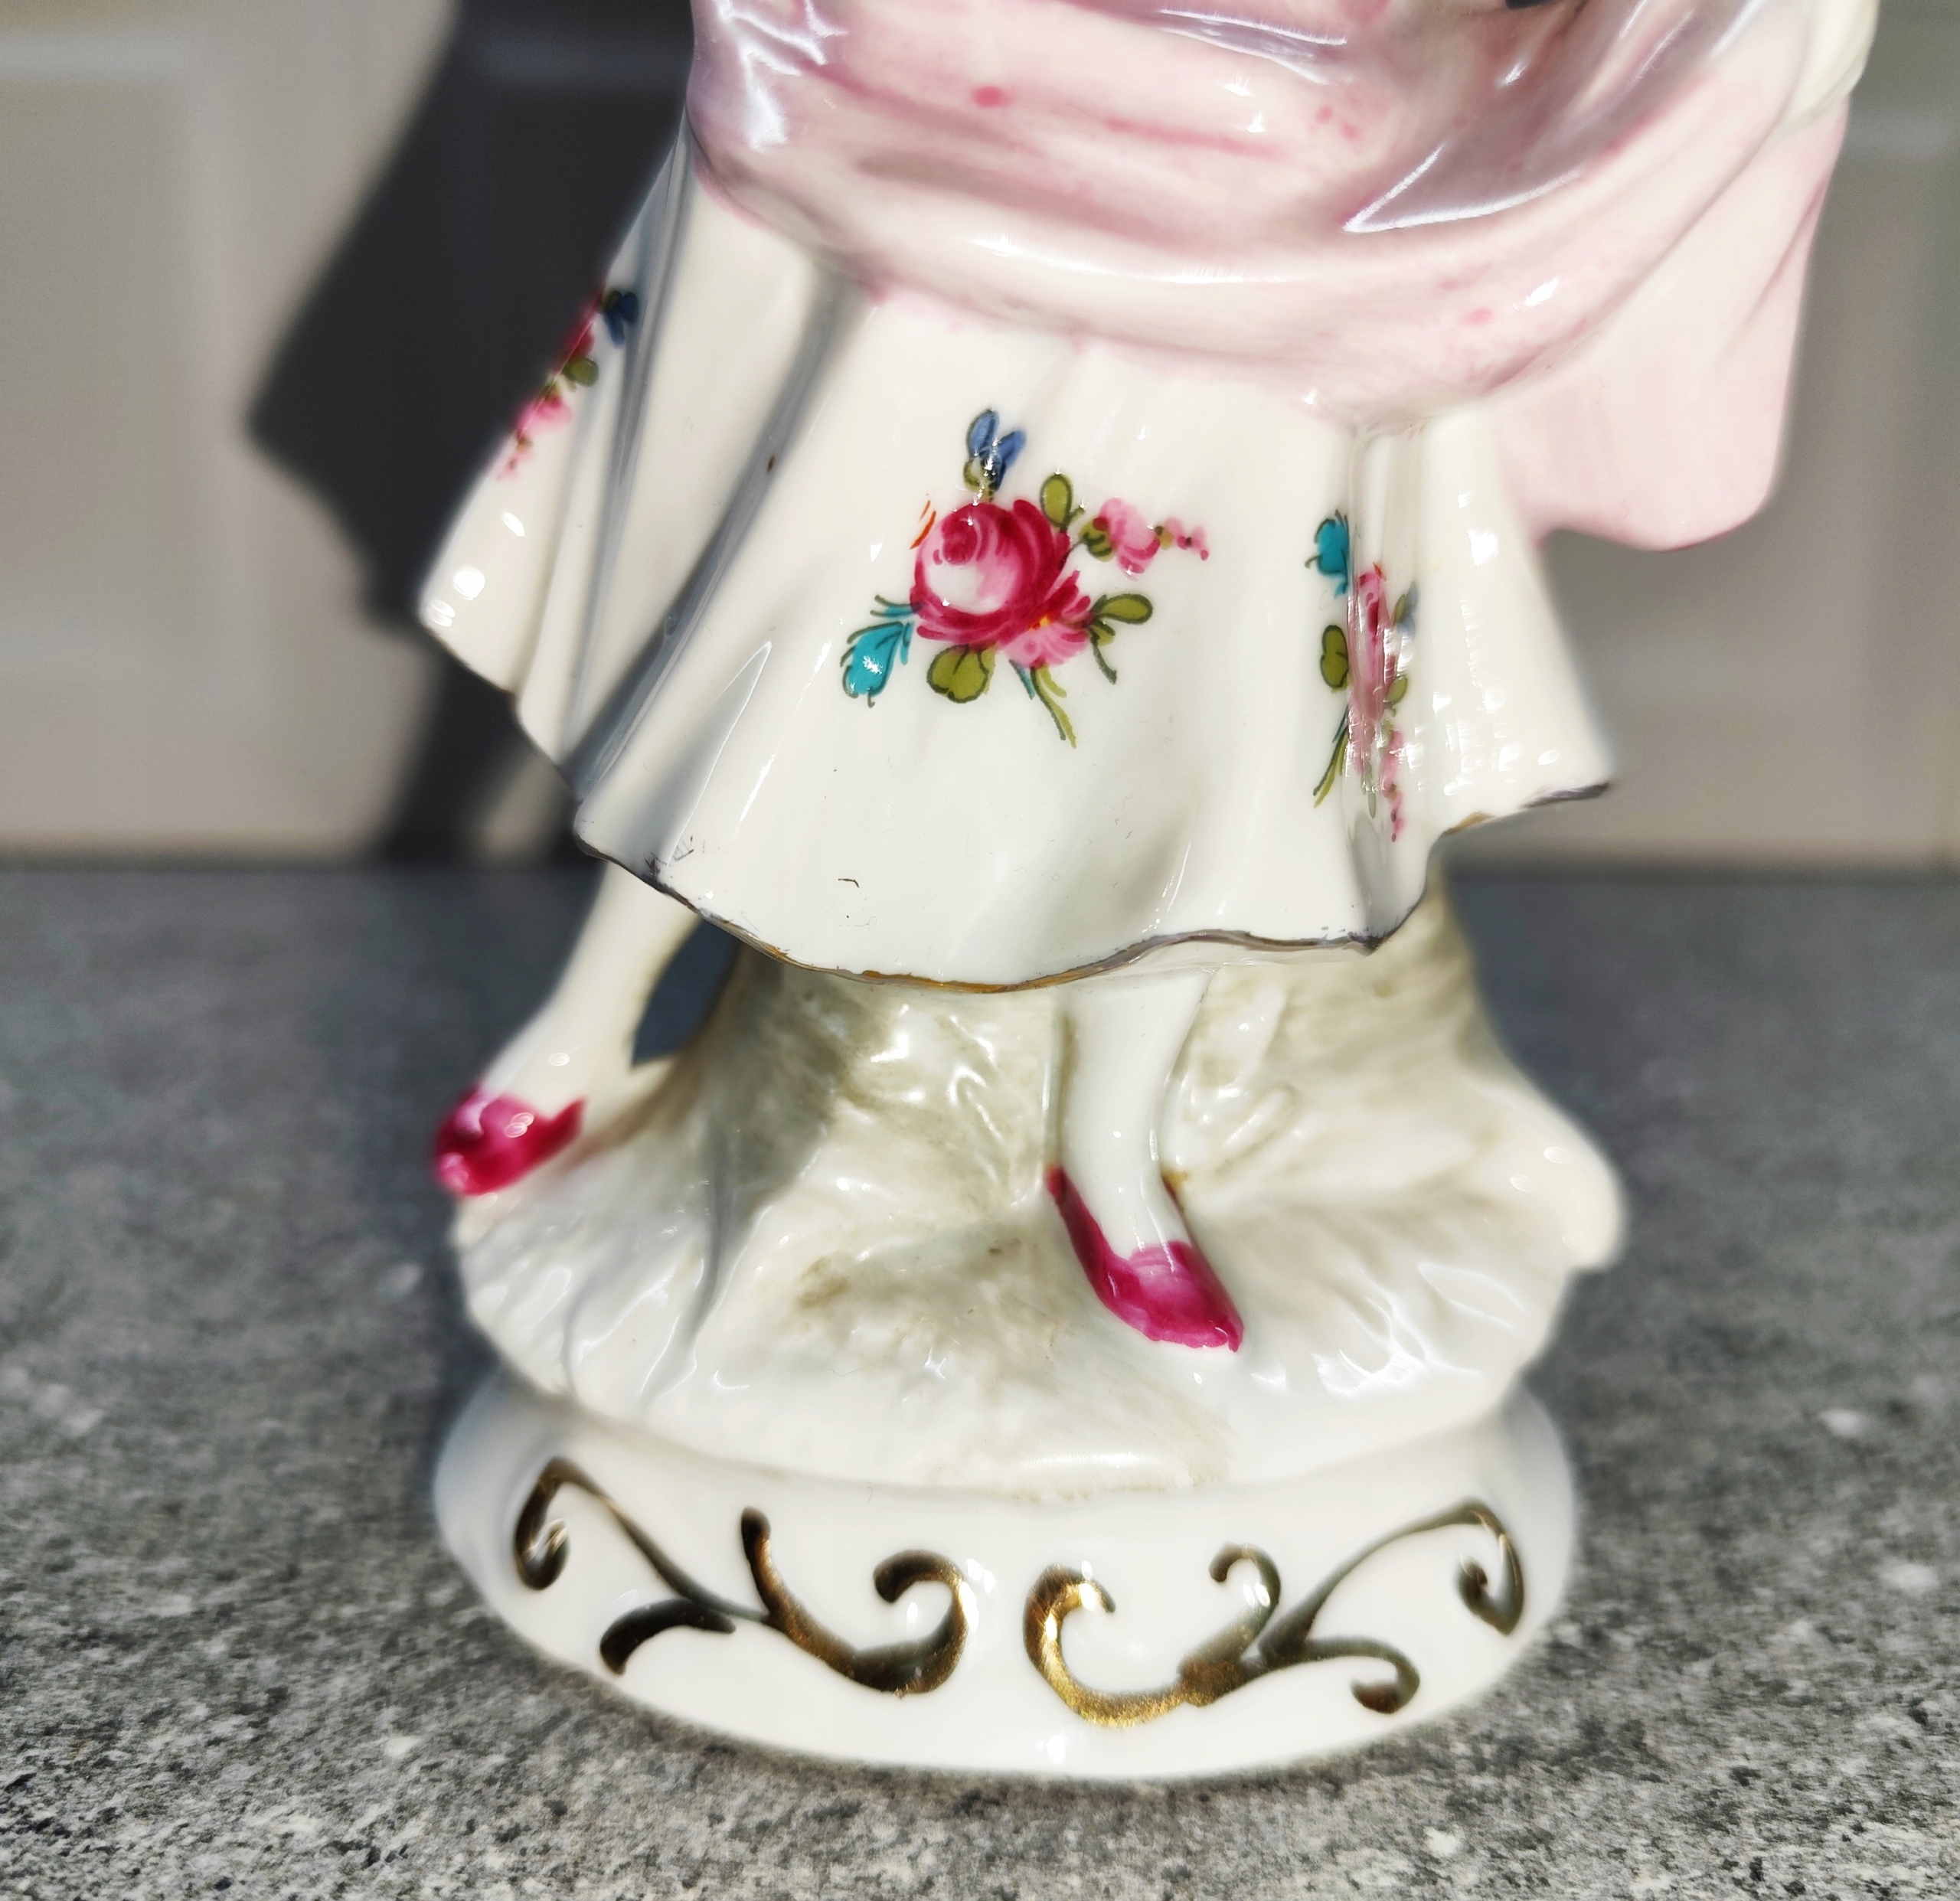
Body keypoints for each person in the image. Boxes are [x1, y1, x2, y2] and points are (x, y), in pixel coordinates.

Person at [423, 0, 1873, 1351]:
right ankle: (589, 1017)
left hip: (1315, 155)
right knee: (792, 620)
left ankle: (1112, 1143)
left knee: (1217, 708)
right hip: (966, 106)